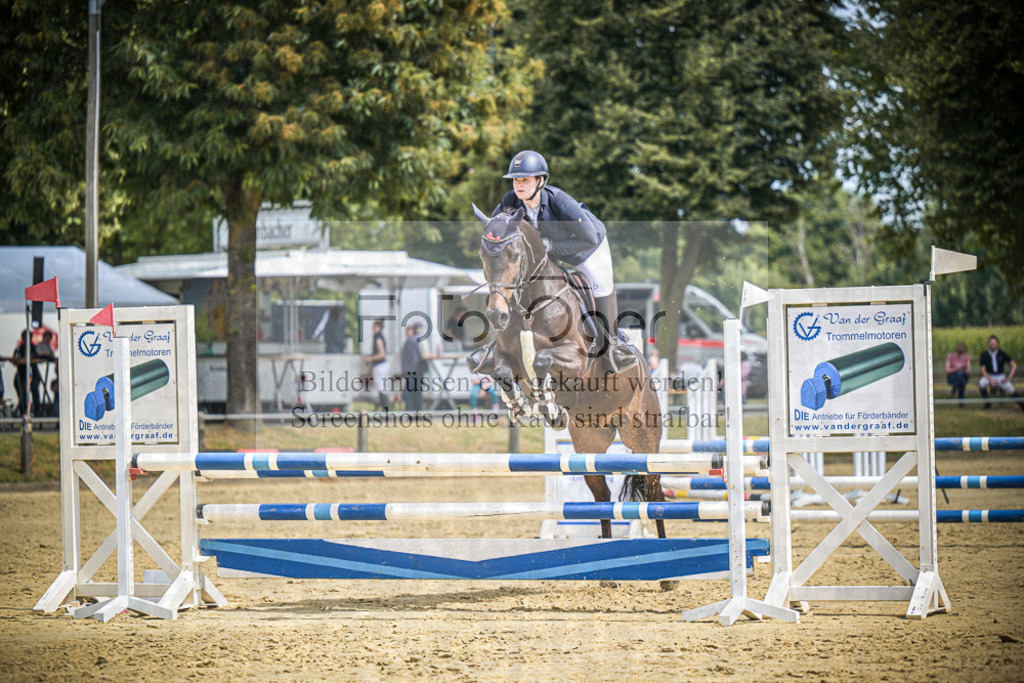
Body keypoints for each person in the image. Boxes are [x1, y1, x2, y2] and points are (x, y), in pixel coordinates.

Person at [492, 150, 637, 371]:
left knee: (601, 287)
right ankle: (499, 347)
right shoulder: (510, 202)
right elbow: (494, 230)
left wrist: (550, 247)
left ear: (541, 181)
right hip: (546, 255)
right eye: (515, 180)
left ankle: (614, 345)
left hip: (586, 249)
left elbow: (587, 238)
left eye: (525, 180)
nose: (519, 185)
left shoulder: (561, 202)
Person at [978, 335, 1022, 411]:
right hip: (989, 375)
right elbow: (983, 370)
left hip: (1000, 376)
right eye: (991, 344)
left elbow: (1014, 365)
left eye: (994, 344)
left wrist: (1009, 378)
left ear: (997, 344)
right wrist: (991, 380)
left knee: (1010, 389)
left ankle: (1022, 406)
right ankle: (987, 404)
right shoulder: (984, 355)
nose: (993, 345)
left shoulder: (1002, 353)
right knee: (981, 383)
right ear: (988, 344)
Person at [401, 321, 437, 412]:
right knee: (417, 392)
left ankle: (409, 412)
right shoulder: (421, 339)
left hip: (407, 369)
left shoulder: (408, 340)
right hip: (417, 369)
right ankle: (418, 412)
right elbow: (424, 354)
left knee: (409, 393)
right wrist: (433, 355)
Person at [362, 320, 390, 410]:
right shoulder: (379, 336)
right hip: (380, 365)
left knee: (381, 388)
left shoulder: (377, 337)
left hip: (379, 365)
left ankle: (384, 408)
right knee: (381, 388)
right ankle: (382, 407)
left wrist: (370, 358)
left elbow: (382, 354)